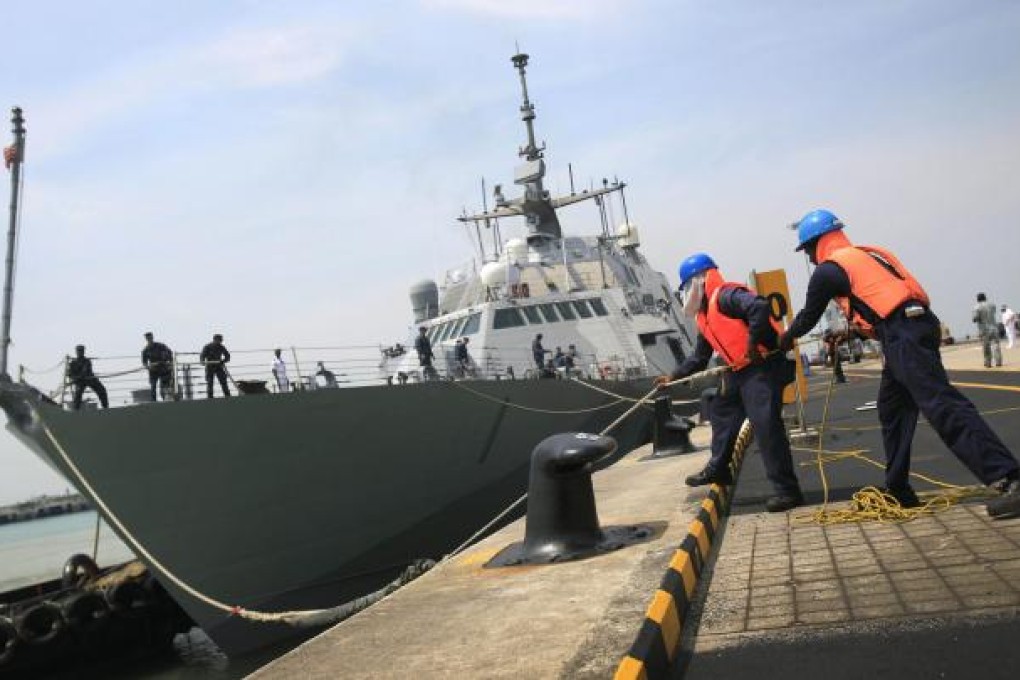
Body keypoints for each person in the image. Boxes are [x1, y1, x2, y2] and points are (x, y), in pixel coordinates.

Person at [779, 209, 1020, 517]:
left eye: (808, 251)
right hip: (913, 325)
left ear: (816, 243)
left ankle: (1009, 478)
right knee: (892, 408)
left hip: (903, 335)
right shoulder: (867, 256)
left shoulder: (828, 270)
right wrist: (850, 331)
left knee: (943, 405)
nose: (810, 259)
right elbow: (883, 301)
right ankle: (898, 489)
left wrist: (784, 339)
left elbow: (807, 316)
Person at [655, 253, 803, 512]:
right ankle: (719, 468)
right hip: (738, 371)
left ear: (699, 280)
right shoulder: (705, 315)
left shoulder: (725, 296)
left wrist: (752, 344)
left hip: (761, 367)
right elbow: (700, 357)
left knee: (766, 426)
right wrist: (674, 377)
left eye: (687, 287)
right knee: (722, 412)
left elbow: (759, 307)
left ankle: (787, 491)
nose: (685, 294)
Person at [67, 344, 108, 410]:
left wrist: (80, 376)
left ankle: (105, 407)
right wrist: (75, 378)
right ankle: (76, 410)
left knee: (102, 389)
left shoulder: (87, 361)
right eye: (79, 351)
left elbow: (86, 371)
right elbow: (70, 374)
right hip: (80, 382)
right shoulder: (73, 363)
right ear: (76, 352)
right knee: (78, 394)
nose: (80, 352)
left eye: (82, 351)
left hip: (90, 379)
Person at [141, 332, 175, 401]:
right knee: (153, 386)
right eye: (148, 338)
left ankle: (165, 399)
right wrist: (149, 367)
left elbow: (169, 353)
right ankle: (154, 401)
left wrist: (170, 363)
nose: (149, 339)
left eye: (150, 337)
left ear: (152, 337)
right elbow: (144, 362)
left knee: (164, 386)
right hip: (153, 371)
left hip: (163, 369)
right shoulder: (145, 350)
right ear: (146, 339)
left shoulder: (160, 346)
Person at [973, 293, 1002, 368]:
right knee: (996, 344)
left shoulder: (977, 307)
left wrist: (976, 318)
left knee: (986, 346)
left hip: (984, 329)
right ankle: (998, 361)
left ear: (978, 299)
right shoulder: (992, 305)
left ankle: (988, 362)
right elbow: (993, 313)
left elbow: (975, 318)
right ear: (985, 298)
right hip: (994, 327)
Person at [199, 334, 231, 398]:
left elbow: (227, 356)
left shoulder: (221, 347)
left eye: (220, 340)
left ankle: (227, 395)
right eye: (219, 340)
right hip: (210, 367)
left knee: (223, 381)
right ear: (215, 340)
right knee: (210, 383)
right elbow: (202, 356)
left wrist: (223, 361)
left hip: (218, 366)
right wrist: (202, 361)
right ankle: (210, 397)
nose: (220, 342)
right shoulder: (207, 347)